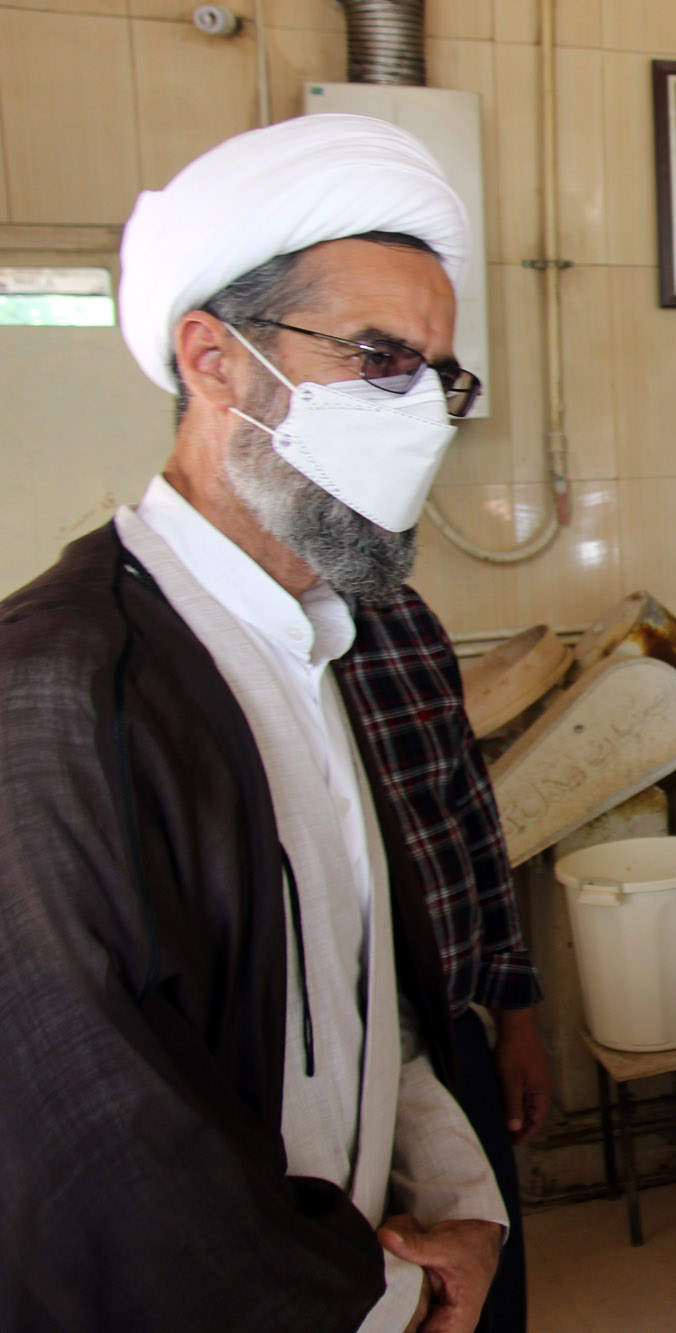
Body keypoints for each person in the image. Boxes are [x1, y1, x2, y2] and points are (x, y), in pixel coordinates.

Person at [0, 114, 507, 1330]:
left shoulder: (315, 645)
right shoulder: (62, 690)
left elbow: (365, 994)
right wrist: (379, 1291)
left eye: (437, 374)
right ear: (213, 358)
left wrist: (463, 1206)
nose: (424, 414)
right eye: (377, 358)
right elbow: (101, 1145)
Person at [340, 590, 552, 1333]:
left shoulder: (401, 618)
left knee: (487, 1293)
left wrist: (516, 1017)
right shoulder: (222, 639)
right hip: (325, 1069)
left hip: (450, 1026)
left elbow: (472, 823)